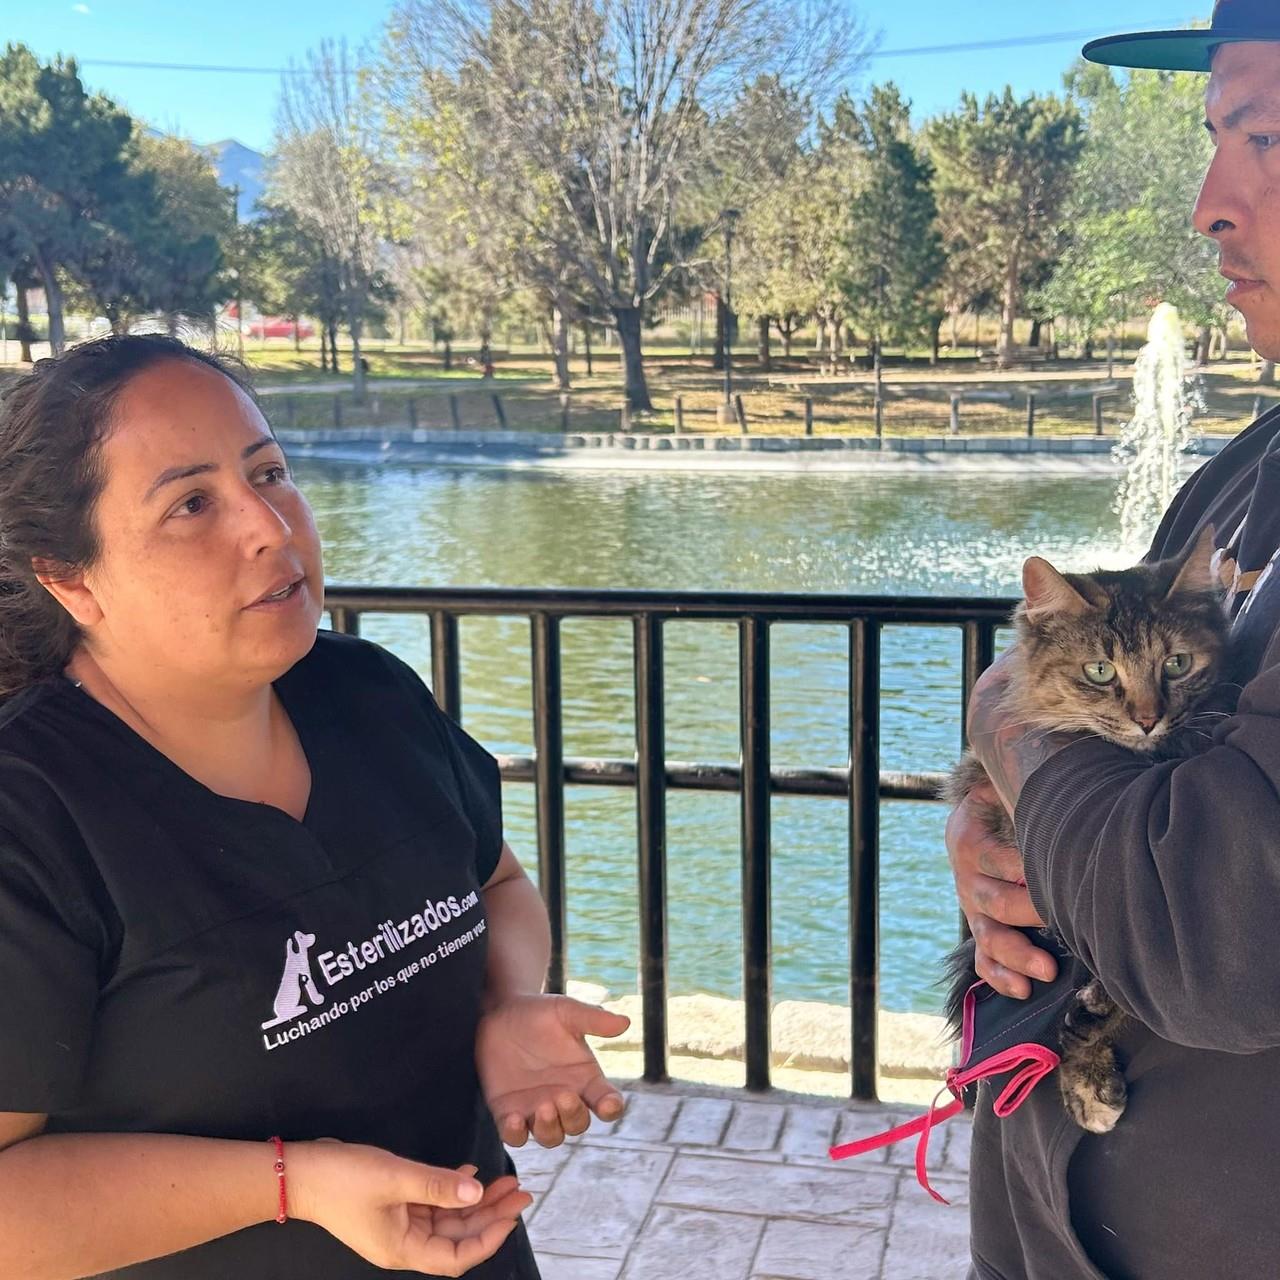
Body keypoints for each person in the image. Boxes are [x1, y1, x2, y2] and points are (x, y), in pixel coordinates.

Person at [0, 334, 630, 1279]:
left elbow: (496, 883)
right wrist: (294, 1185)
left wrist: (507, 1001)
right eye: (191, 504)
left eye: (269, 471)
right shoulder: (32, 817)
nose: (270, 525)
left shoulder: (367, 694)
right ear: (70, 576)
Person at [946, 4, 1280, 1276]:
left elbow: (1203, 929)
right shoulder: (1246, 470)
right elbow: (1051, 684)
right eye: (1211, 137)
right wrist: (1000, 838)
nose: (1207, 201)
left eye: (1261, 132)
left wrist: (1009, 732)